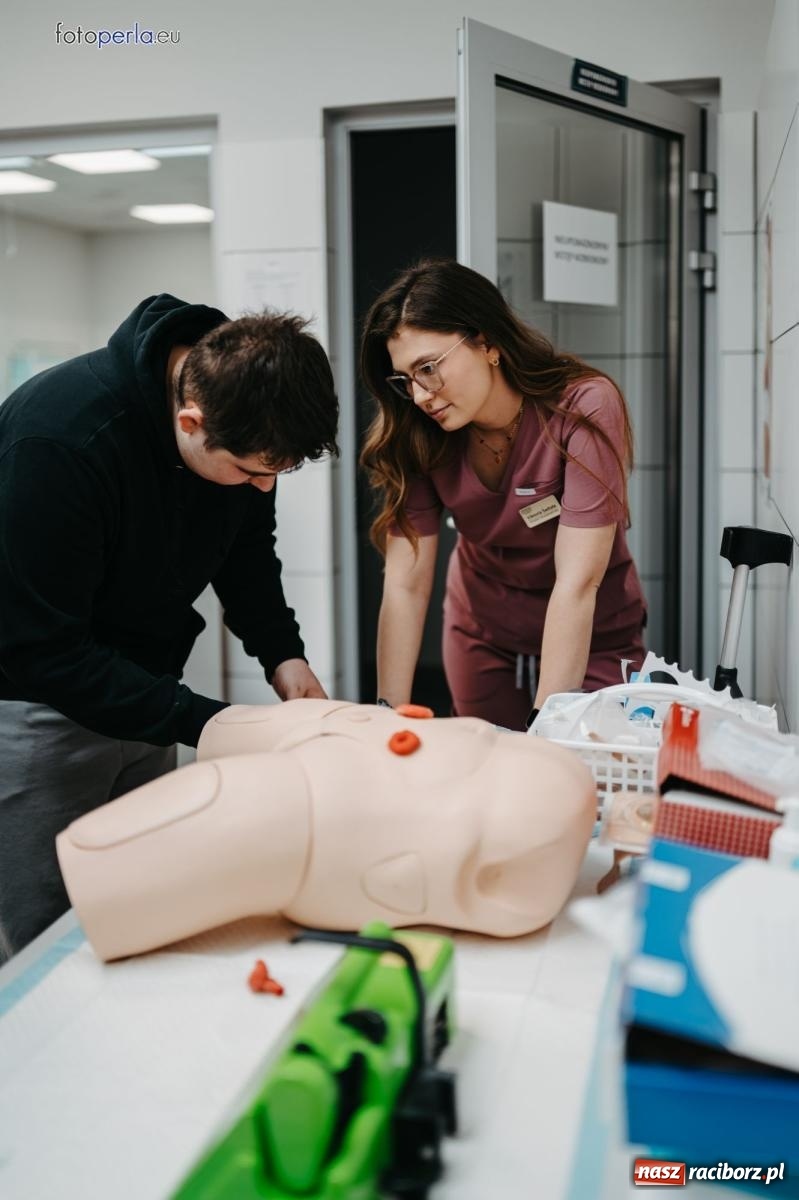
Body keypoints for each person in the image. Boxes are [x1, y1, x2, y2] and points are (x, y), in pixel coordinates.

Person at [0, 293, 339, 959]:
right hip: (36, 708)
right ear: (189, 420)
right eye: (249, 472)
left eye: (275, 474)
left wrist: (284, 657)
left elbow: (245, 555)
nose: (262, 488)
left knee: (141, 911)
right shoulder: (60, 440)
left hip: (144, 697)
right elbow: (41, 647)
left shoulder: (245, 409)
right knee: (50, 940)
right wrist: (205, 720)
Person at [360, 259, 646, 730]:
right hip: (483, 633)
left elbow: (577, 584)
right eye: (406, 379)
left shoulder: (583, 407)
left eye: (428, 368)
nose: (419, 395)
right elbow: (406, 584)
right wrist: (385, 717)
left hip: (594, 636)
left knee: (572, 776)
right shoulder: (419, 435)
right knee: (491, 780)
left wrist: (545, 724)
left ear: (487, 342)